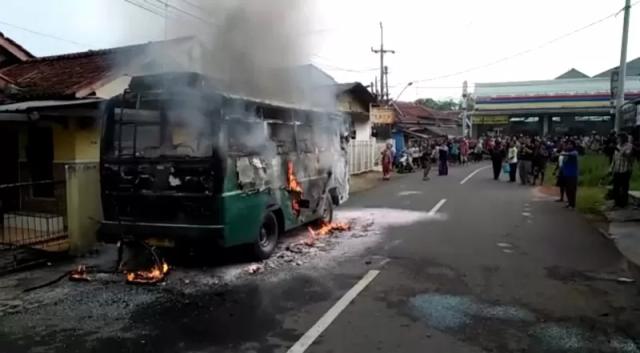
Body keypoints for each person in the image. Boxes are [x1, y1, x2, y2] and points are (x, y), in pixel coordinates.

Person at [610, 132, 633, 208]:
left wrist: (619, 150)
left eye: (619, 138)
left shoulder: (629, 146)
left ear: (623, 138)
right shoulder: (617, 146)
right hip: (617, 170)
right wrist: (611, 168)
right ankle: (617, 203)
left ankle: (623, 204)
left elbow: (628, 155)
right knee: (615, 187)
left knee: (624, 188)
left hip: (625, 170)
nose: (617, 139)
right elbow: (614, 159)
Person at [561, 140, 579, 209]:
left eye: (570, 144)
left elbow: (574, 154)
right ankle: (569, 202)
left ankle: (573, 204)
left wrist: (564, 154)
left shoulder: (574, 152)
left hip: (572, 175)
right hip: (566, 174)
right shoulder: (566, 153)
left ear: (573, 145)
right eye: (568, 144)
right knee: (567, 190)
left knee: (572, 190)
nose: (568, 146)